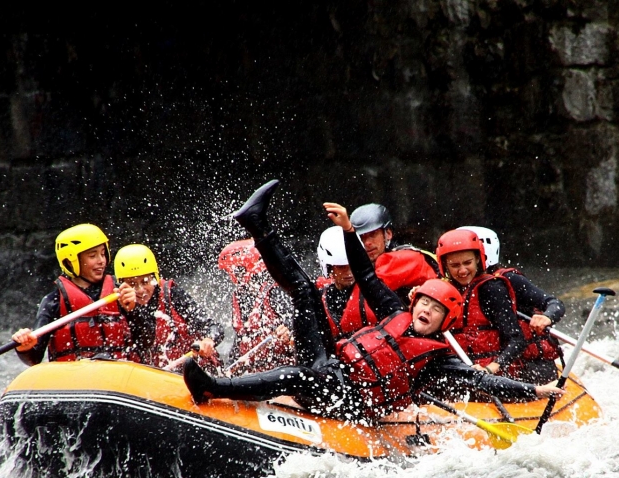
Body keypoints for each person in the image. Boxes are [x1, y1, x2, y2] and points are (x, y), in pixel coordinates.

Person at [182, 179, 563, 422]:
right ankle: (257, 224)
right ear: (415, 301)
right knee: (305, 292)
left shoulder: (437, 360)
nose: (426, 311)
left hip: (348, 401)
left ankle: (214, 387)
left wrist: (534, 392)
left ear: (445, 322)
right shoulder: (394, 310)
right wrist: (349, 231)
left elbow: (484, 380)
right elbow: (366, 274)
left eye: (436, 310)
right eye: (425, 303)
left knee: (304, 376)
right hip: (331, 364)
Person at [12, 223, 138, 365]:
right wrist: (25, 348)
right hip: (74, 375)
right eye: (93, 256)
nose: (101, 261)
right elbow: (34, 359)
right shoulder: (53, 302)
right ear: (70, 261)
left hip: (119, 374)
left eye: (103, 254)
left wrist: (134, 310)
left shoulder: (121, 292)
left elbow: (148, 340)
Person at [458, 226, 565, 383]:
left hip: (530, 365)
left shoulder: (509, 280)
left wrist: (547, 317)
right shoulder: (457, 286)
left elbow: (554, 303)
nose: (461, 269)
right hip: (484, 364)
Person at [435, 228, 532, 380]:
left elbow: (517, 340)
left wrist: (490, 369)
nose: (462, 271)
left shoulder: (492, 289)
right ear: (445, 265)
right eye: (454, 265)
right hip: (458, 373)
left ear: (478, 259)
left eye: (468, 263)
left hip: (494, 375)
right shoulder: (440, 291)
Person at [114, 243, 225, 370]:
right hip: (153, 376)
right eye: (132, 284)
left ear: (154, 278)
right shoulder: (116, 304)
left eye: (145, 282)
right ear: (121, 285)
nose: (140, 290)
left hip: (192, 371)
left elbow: (213, 326)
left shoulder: (173, 295)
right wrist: (132, 311)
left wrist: (209, 340)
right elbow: (145, 340)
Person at [218, 238, 294, 374]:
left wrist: (289, 331)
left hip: (283, 370)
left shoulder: (275, 290)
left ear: (241, 268)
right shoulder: (241, 296)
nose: (230, 276)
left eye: (230, 271)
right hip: (256, 372)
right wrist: (227, 371)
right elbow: (240, 339)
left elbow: (298, 321)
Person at [349, 203, 438, 305]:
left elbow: (364, 296)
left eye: (373, 234)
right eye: (361, 237)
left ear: (388, 234)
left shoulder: (399, 258)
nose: (367, 243)